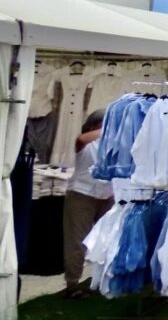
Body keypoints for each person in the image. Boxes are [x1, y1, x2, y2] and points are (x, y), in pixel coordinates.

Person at [62, 109, 113, 298]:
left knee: (106, 239)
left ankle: (103, 278)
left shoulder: (114, 141)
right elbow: (80, 140)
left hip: (107, 195)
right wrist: (110, 126)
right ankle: (72, 284)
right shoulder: (85, 143)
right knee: (77, 241)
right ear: (94, 126)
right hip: (82, 194)